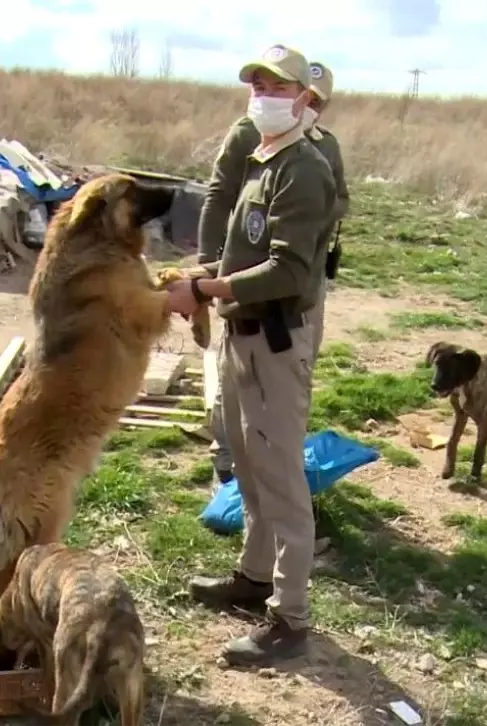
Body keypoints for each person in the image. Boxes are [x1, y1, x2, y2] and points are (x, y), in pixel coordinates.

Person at [163, 44, 337, 666]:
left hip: (274, 340)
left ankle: (290, 619)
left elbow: (287, 270)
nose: (262, 93)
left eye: (276, 85)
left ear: (303, 97)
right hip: (244, 333)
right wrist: (200, 277)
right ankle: (255, 578)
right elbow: (244, 254)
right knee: (249, 467)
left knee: (283, 480)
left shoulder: (304, 168)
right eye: (256, 82)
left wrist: (204, 288)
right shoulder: (265, 158)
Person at [199, 60, 351, 485]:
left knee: (292, 367)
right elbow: (218, 197)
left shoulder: (323, 149)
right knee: (233, 372)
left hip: (301, 281)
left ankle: (277, 461)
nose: (309, 108)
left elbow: (341, 198)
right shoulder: (248, 135)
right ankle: (228, 460)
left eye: (318, 102)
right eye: (266, 89)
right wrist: (208, 267)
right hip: (246, 279)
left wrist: (307, 213)